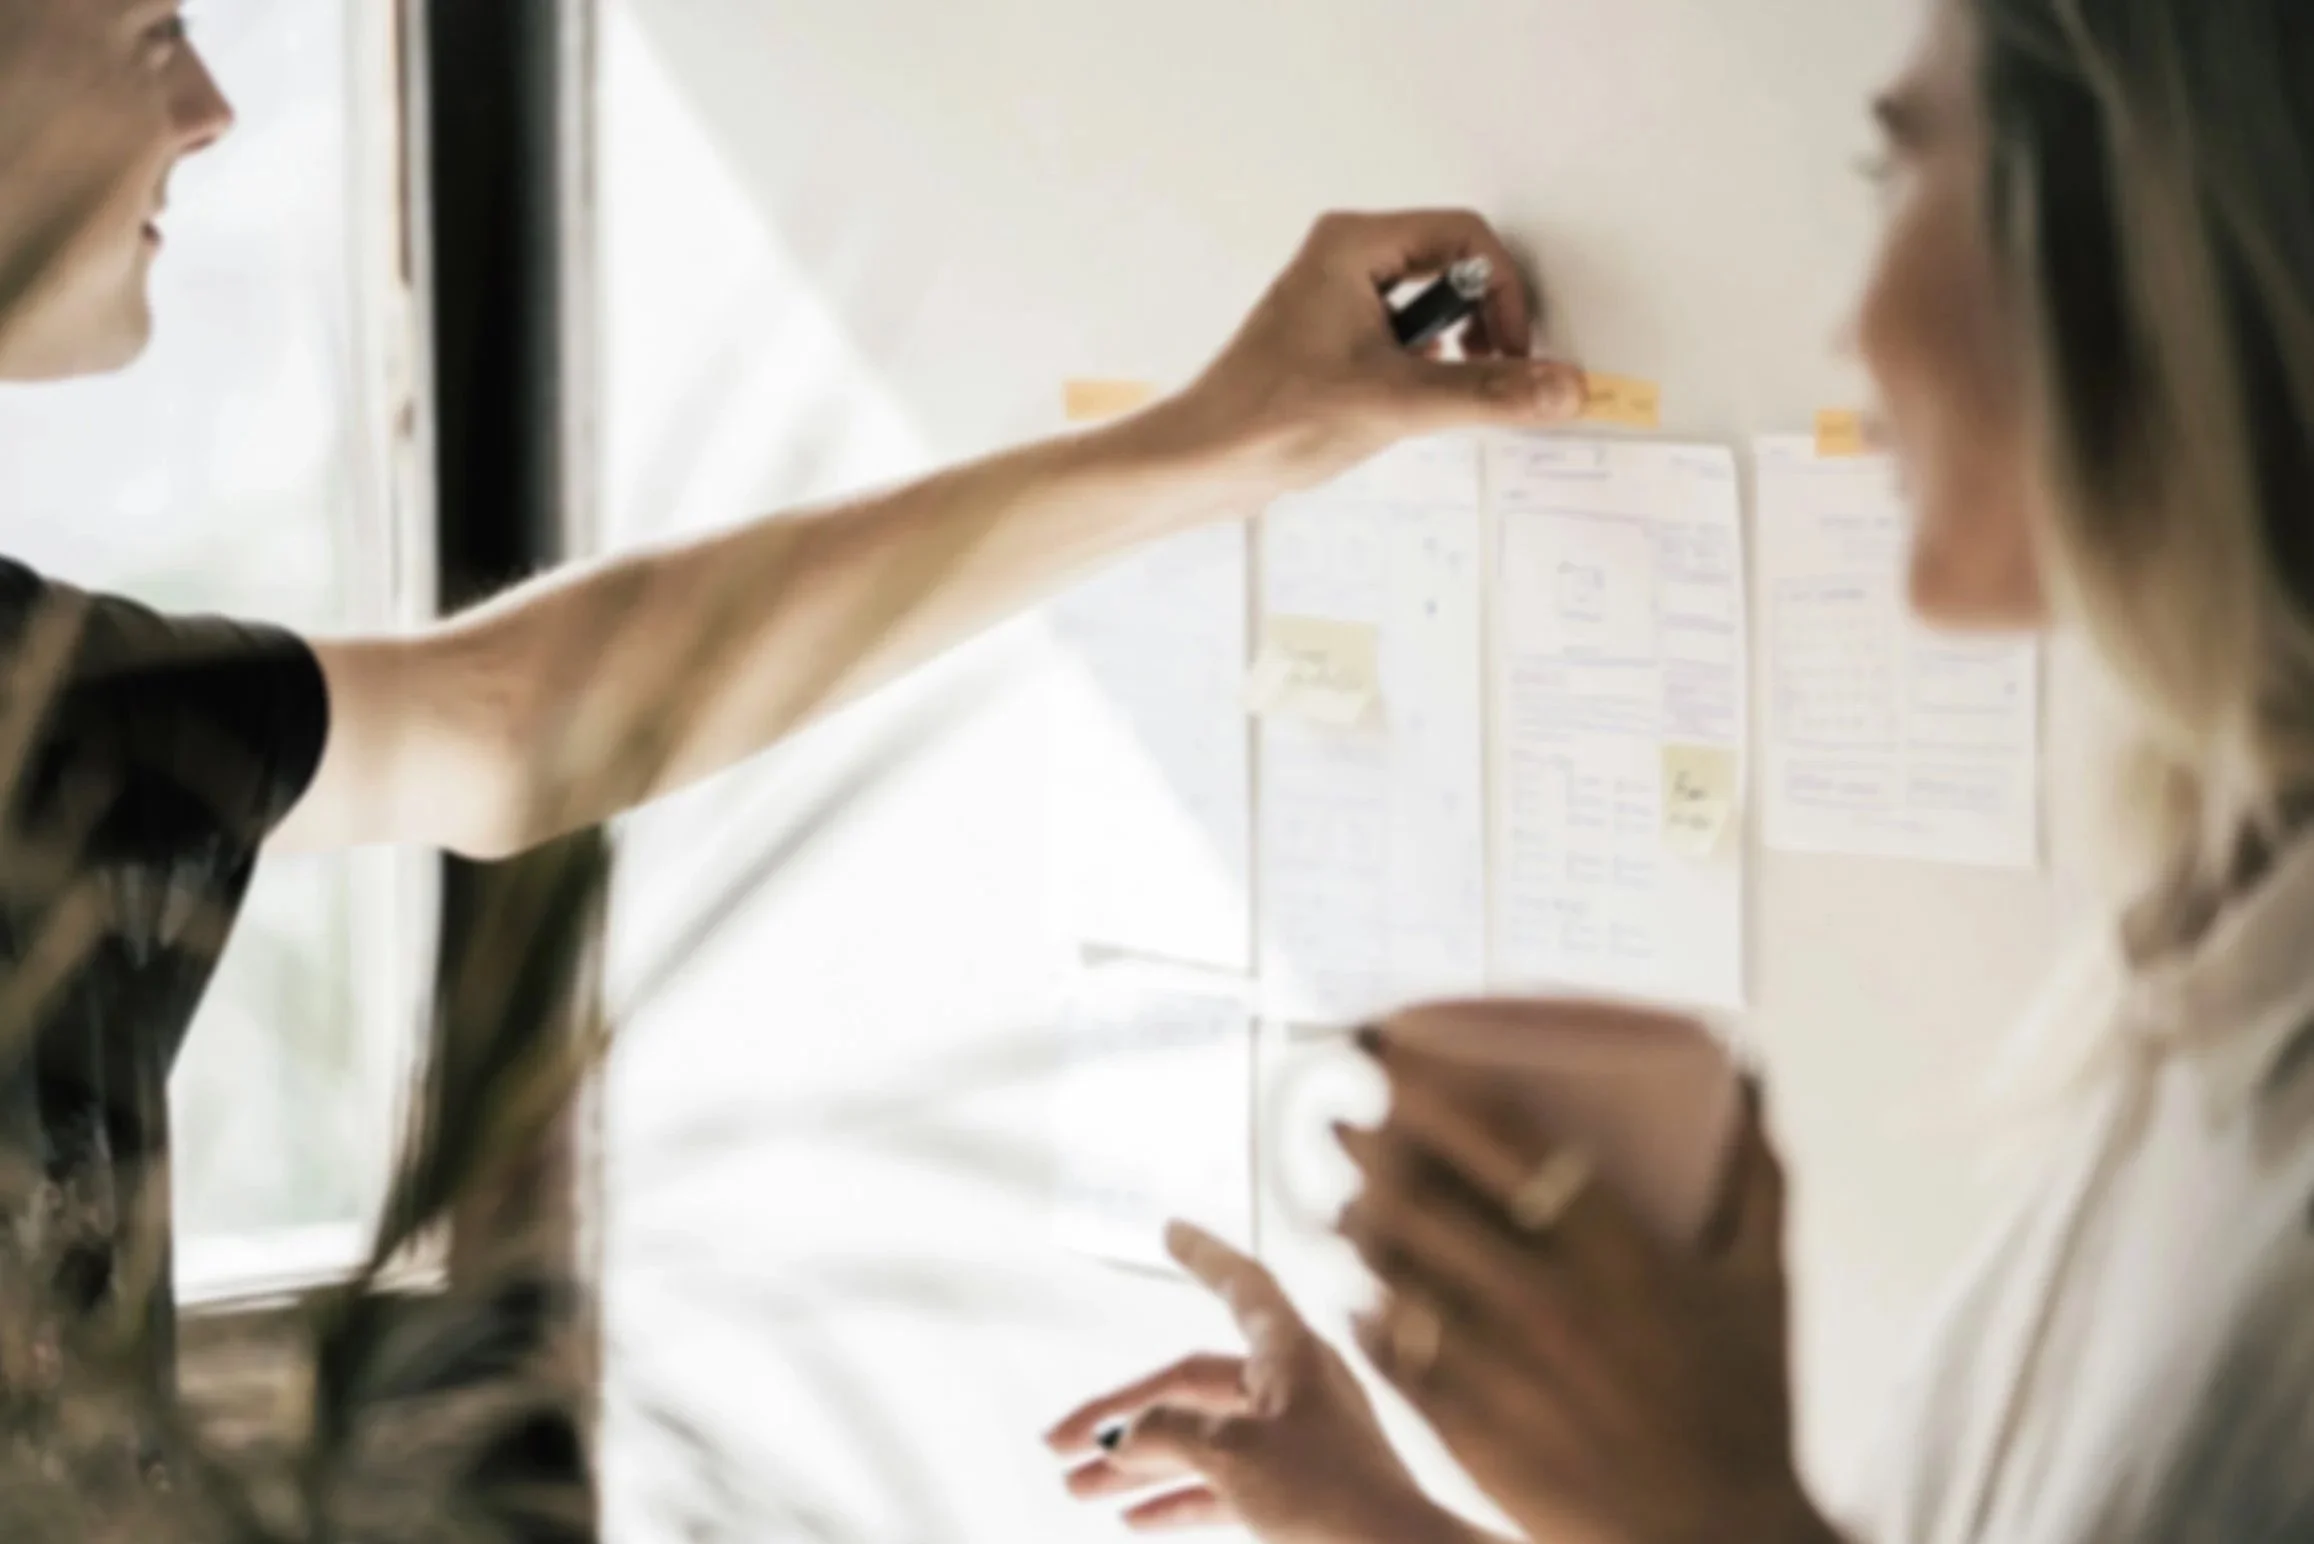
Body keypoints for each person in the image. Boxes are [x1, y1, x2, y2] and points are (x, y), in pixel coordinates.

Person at [0, 0, 1589, 1418]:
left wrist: (1208, 447)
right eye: (153, 32)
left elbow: (511, 721)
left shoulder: (55, 703)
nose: (211, 105)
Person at [1054, 0, 2314, 1539]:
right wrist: (1379, 1518)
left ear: (2140, 226)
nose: (1853, 332)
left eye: (1901, 172)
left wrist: (1706, 1504)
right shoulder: (2198, 981)